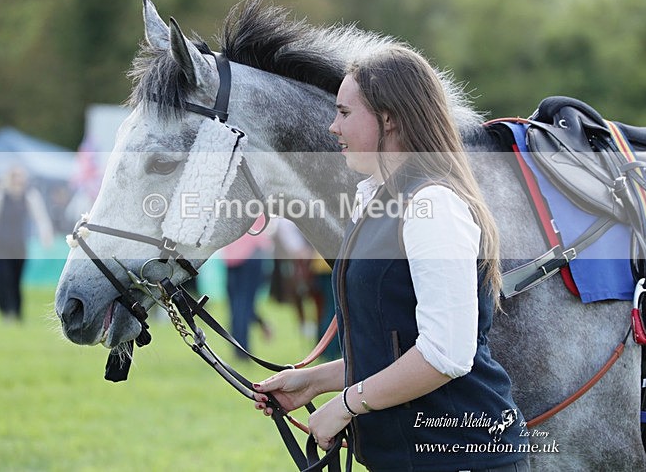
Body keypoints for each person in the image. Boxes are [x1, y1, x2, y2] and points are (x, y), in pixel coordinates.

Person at [253, 45, 529, 471]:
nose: (333, 127)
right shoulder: (378, 201)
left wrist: (345, 404)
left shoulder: (432, 205)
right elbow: (393, 345)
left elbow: (444, 354)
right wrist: (315, 381)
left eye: (344, 113)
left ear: (389, 119)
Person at [0, 166, 53, 321]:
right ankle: (5, 311)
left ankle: (17, 312)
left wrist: (45, 236)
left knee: (16, 280)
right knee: (2, 279)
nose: (18, 180)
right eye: (15, 176)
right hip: (0, 246)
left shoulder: (30, 196)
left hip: (19, 246)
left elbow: (40, 218)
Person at [221, 218, 273, 359]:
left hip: (230, 255)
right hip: (251, 252)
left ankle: (239, 350)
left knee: (236, 305)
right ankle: (242, 352)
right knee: (244, 304)